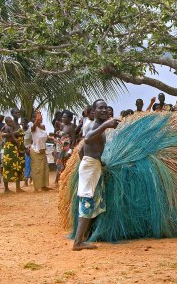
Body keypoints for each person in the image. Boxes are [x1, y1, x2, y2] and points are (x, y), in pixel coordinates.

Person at [73, 100, 120, 250]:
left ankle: (83, 237)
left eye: (106, 108)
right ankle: (78, 242)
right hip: (90, 167)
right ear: (93, 111)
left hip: (93, 165)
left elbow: (82, 150)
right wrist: (106, 125)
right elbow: (87, 139)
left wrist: (96, 161)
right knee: (87, 201)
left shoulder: (98, 127)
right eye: (101, 108)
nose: (105, 110)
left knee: (94, 199)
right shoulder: (93, 126)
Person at [1, 114, 25, 193]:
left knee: (18, 166)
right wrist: (14, 134)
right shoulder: (6, 126)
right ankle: (6, 189)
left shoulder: (20, 125)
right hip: (9, 148)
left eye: (19, 113)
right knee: (7, 166)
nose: (18, 114)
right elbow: (1, 134)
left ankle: (18, 188)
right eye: (15, 113)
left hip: (17, 148)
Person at [30, 111, 51, 192]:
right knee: (37, 169)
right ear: (34, 119)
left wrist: (52, 138)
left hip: (42, 150)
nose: (40, 118)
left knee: (45, 168)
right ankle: (36, 187)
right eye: (38, 117)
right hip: (35, 150)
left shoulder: (43, 126)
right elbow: (33, 129)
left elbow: (44, 136)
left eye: (41, 117)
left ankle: (44, 186)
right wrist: (36, 121)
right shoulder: (33, 126)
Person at [56, 110, 76, 185]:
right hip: (61, 148)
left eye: (65, 117)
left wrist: (70, 151)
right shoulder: (62, 125)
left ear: (70, 118)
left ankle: (66, 182)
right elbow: (61, 136)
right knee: (60, 164)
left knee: (66, 165)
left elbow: (74, 140)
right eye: (62, 117)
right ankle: (61, 181)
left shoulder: (71, 127)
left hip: (67, 149)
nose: (63, 119)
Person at [21, 117, 32, 186]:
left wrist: (29, 148)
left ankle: (26, 180)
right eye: (21, 122)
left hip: (28, 149)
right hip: (22, 150)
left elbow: (33, 140)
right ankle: (28, 178)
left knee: (28, 165)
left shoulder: (30, 130)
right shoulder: (20, 130)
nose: (22, 124)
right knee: (24, 165)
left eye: (23, 122)